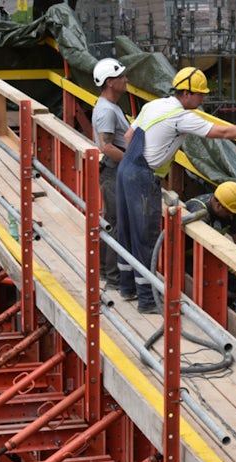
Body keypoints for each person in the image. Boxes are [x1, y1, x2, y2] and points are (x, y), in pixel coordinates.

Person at [116, 66, 236, 315]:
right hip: (142, 177)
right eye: (200, 94)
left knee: (128, 231)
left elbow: (130, 136)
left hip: (127, 168)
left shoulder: (155, 105)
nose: (203, 99)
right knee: (146, 238)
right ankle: (147, 300)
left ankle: (127, 287)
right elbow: (223, 132)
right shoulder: (181, 116)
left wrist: (139, 165)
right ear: (185, 94)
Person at [92, 57, 130, 294]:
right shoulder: (106, 110)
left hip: (114, 169)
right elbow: (106, 146)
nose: (126, 80)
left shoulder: (111, 107)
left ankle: (107, 272)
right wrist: (132, 163)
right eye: (121, 77)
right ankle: (113, 278)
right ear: (109, 83)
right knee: (115, 223)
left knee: (114, 221)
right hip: (113, 170)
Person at [185, 181, 236, 249]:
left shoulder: (229, 208)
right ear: (218, 205)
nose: (231, 216)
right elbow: (200, 243)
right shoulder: (199, 210)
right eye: (229, 212)